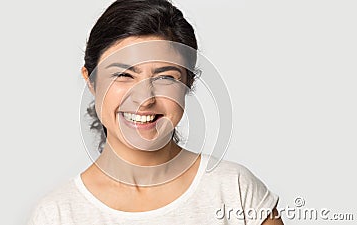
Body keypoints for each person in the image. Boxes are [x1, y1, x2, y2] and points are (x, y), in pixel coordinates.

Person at [27, 0, 284, 224]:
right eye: (123, 75)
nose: (144, 100)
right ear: (91, 81)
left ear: (188, 83)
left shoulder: (234, 190)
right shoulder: (57, 215)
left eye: (165, 78)